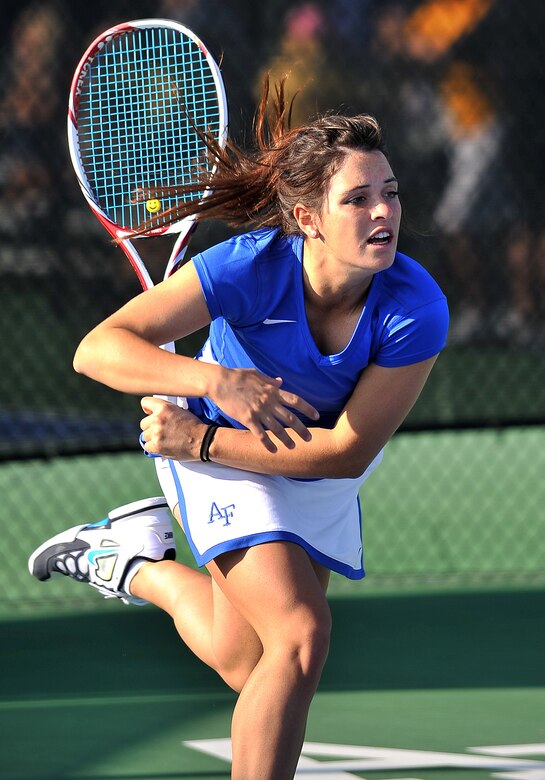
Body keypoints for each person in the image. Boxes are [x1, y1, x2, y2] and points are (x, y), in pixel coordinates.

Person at [29, 79, 449, 780]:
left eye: (391, 193)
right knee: (299, 636)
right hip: (215, 452)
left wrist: (196, 438)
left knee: (245, 658)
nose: (383, 212)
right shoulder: (248, 267)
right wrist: (212, 386)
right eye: (357, 199)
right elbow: (98, 348)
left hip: (287, 458)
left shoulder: (413, 307)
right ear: (307, 216)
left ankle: (129, 561)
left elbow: (345, 452)